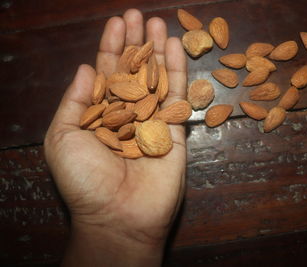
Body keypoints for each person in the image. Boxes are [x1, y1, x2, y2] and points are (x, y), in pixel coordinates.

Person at [44, 9, 187, 266]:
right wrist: (108, 230)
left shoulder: (146, 100)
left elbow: (148, 98)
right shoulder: (123, 106)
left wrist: (108, 232)